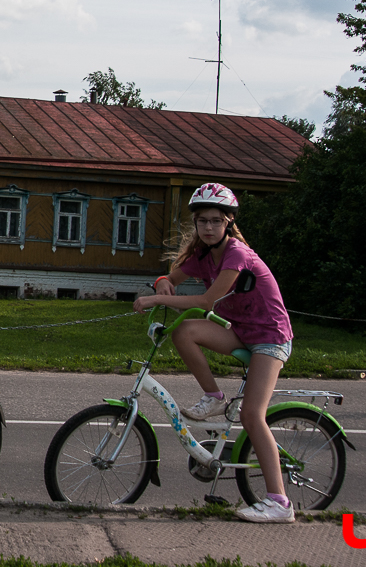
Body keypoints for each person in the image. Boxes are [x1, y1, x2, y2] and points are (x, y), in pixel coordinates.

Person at [133, 182, 295, 523]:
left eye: (215, 221)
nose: (208, 227)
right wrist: (164, 280)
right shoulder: (204, 255)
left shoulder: (236, 253)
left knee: (252, 415)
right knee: (185, 331)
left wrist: (158, 298)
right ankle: (213, 396)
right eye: (202, 221)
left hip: (269, 337)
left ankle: (280, 503)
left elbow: (207, 302)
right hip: (240, 331)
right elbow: (172, 276)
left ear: (228, 223)